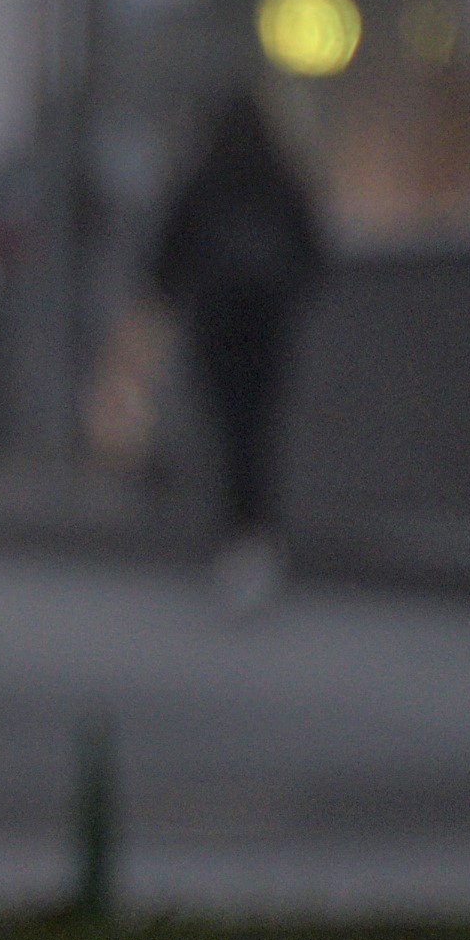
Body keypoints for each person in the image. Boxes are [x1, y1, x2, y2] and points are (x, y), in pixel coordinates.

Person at [147, 83, 325, 613]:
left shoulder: (205, 180)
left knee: (228, 432)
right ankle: (259, 533)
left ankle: (235, 535)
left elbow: (166, 257)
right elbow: (313, 247)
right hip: (268, 331)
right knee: (260, 430)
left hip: (216, 330)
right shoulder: (278, 180)